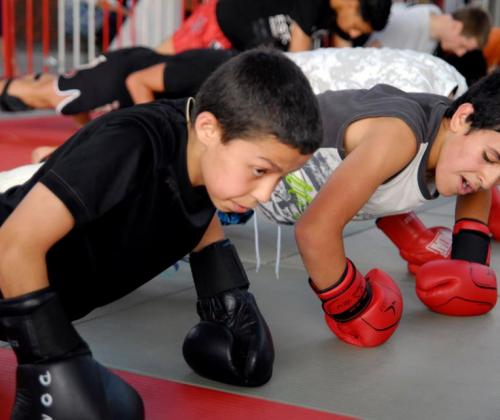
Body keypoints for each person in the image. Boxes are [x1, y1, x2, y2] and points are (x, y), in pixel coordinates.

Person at [0, 49, 323, 419]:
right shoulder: (130, 143)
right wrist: (52, 360)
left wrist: (228, 301)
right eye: (260, 170)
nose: (266, 194)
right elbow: (12, 244)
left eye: (279, 177)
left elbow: (189, 211)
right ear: (208, 129)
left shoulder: (205, 161)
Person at [258, 71, 500, 348]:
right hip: (235, 159)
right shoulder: (398, 137)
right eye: (490, 158)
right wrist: (351, 305)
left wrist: (468, 260)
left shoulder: (458, 148)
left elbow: (480, 187)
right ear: (462, 117)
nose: (490, 179)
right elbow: (315, 230)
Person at [0, 46, 467, 165]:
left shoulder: (226, 83)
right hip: (127, 70)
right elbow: (139, 80)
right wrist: (131, 121)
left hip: (145, 81)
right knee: (50, 93)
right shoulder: (207, 70)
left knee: (62, 102)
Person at [155, 0, 392, 54]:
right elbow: (299, 60)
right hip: (221, 22)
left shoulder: (341, 16)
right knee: (160, 61)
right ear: (352, 4)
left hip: (241, 48)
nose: (354, 34)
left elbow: (342, 56)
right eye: (356, 27)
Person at [368, 4, 490, 58]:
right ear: (457, 26)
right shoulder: (407, 22)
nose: (460, 53)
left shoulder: (432, 38)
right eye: (462, 45)